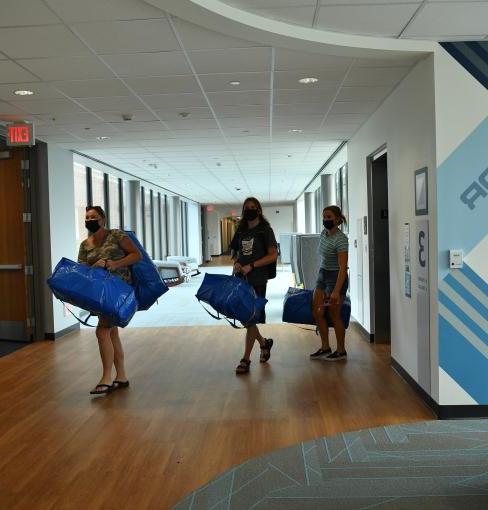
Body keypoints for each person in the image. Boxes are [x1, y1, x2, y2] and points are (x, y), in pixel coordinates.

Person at [78, 206, 141, 394]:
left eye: (94, 217)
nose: (90, 219)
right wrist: (94, 267)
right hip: (100, 294)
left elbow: (136, 255)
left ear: (103, 219)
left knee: (102, 331)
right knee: (111, 333)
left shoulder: (117, 236)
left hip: (119, 291)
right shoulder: (85, 245)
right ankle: (121, 376)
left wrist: (115, 263)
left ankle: (106, 378)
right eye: (87, 217)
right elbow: (82, 269)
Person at [230, 197, 278, 374]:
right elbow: (236, 253)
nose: (249, 210)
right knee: (246, 318)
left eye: (252, 207)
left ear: (258, 210)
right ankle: (264, 343)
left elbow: (273, 255)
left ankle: (245, 359)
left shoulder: (265, 230)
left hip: (257, 279)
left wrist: (253, 265)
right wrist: (236, 263)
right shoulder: (241, 230)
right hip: (241, 278)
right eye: (246, 208)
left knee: (250, 319)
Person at [310, 205, 349, 361]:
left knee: (334, 315)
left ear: (338, 220)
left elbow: (343, 268)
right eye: (324, 217)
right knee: (317, 312)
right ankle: (325, 347)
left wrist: (335, 291)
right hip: (323, 273)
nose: (326, 220)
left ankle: (341, 350)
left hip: (336, 276)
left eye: (329, 217)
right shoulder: (323, 234)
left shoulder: (341, 239)